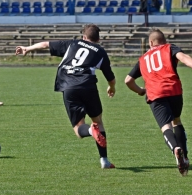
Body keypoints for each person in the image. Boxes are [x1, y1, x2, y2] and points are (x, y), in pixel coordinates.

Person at [15, 24, 116, 169]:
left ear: (84, 37)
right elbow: (111, 78)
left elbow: (45, 44)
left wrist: (27, 48)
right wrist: (111, 88)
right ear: (98, 39)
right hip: (88, 85)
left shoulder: (73, 43)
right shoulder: (100, 51)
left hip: (69, 86)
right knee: (98, 122)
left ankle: (90, 131)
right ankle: (104, 160)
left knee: (79, 129)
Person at [124, 28, 192, 176]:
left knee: (165, 127)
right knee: (176, 121)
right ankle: (185, 157)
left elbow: (128, 80)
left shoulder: (142, 59)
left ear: (150, 43)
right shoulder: (169, 48)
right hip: (174, 90)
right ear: (164, 41)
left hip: (155, 93)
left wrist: (140, 91)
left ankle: (175, 149)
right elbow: (183, 57)